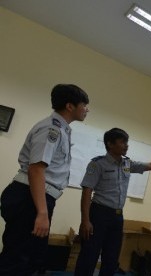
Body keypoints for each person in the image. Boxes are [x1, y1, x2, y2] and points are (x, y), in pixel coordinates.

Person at [74, 128, 151, 276]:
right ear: (110, 144)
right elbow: (86, 192)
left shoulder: (127, 164)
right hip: (98, 214)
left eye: (127, 142)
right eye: (123, 142)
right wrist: (85, 220)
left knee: (111, 258)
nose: (126, 145)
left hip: (117, 217)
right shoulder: (97, 164)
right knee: (89, 256)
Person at [0, 84, 90, 274]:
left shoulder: (63, 129)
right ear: (70, 106)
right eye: (84, 104)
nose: (87, 109)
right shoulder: (52, 129)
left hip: (36, 197)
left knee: (33, 257)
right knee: (18, 257)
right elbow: (36, 170)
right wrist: (41, 212)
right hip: (30, 197)